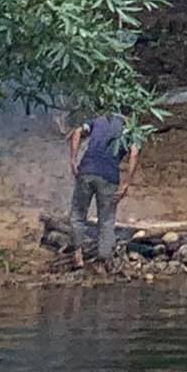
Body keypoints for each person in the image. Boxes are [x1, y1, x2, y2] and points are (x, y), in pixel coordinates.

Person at [67, 111, 136, 273]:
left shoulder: (97, 120)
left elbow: (77, 131)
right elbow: (134, 152)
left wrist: (73, 160)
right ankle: (103, 260)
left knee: (78, 214)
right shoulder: (130, 129)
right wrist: (127, 182)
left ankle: (77, 254)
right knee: (106, 219)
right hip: (109, 177)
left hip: (87, 171)